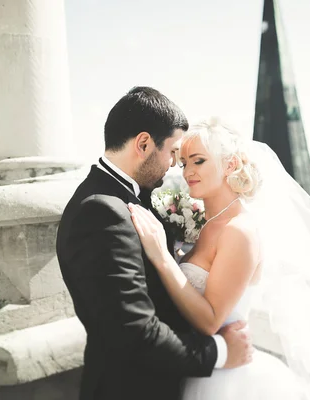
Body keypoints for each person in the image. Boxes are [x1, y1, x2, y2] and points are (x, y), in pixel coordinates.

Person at [128, 118, 310, 399]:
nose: (187, 172)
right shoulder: (209, 225)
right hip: (198, 365)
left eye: (198, 161)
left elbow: (209, 321)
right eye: (184, 163)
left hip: (225, 380)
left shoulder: (239, 231)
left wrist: (162, 258)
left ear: (229, 165)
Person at [56, 87, 253, 400]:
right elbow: (134, 332)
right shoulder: (101, 212)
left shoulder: (128, 198)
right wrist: (220, 351)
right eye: (174, 153)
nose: (177, 166)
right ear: (144, 144)